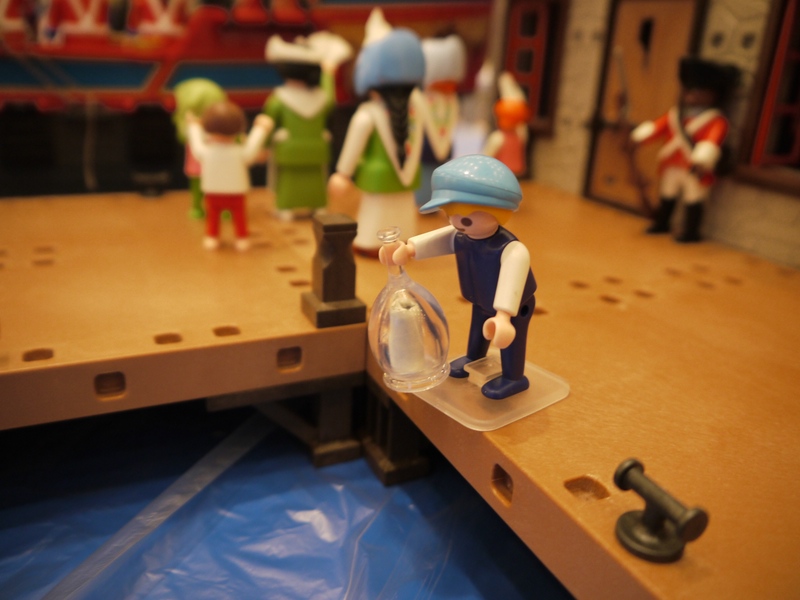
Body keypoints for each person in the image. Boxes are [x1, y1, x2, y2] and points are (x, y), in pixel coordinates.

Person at [381, 155, 536, 400]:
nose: (456, 223)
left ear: (498, 212)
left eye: (464, 218)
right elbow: (437, 240)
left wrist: (504, 316)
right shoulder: (461, 234)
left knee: (509, 341)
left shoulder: (512, 249)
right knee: (477, 330)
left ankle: (514, 377)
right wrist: (408, 249)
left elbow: (512, 281)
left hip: (514, 307)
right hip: (481, 298)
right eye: (449, 215)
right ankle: (474, 357)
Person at [327, 7, 426, 256]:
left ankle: (372, 244)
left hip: (377, 179)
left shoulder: (367, 114)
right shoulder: (418, 109)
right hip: (406, 180)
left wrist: (343, 173)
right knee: (403, 213)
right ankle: (403, 244)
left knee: (376, 218)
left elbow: (354, 144)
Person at [630, 57, 739, 243]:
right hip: (672, 163)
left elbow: (712, 140)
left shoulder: (716, 120)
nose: (692, 96)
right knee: (667, 195)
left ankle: (691, 232)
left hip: (694, 167)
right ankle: (662, 223)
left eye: (699, 92)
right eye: (689, 91)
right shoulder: (676, 115)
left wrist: (702, 159)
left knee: (693, 199)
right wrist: (638, 137)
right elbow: (658, 128)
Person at [263, 31, 351, 221]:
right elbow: (330, 99)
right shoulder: (322, 99)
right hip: (316, 149)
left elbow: (268, 123)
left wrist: (264, 145)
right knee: (314, 181)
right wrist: (328, 73)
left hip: (289, 150)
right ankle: (317, 206)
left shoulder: (278, 99)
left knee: (291, 181)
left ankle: (287, 207)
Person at [187, 101, 273, 250]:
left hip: (214, 190)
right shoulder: (239, 152)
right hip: (234, 191)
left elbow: (196, 146)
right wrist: (261, 129)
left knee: (215, 215)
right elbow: (252, 148)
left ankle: (213, 237)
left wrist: (194, 126)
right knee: (237, 215)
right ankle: (240, 238)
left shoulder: (207, 152)